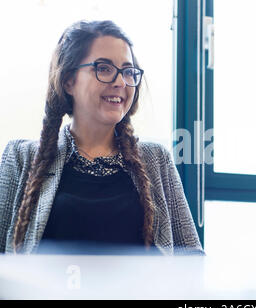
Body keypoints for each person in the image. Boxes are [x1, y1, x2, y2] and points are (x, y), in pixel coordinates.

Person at [0, 20, 203, 255]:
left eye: (128, 71)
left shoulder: (156, 159)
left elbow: (192, 258)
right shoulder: (21, 157)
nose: (120, 82)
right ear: (68, 80)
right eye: (104, 68)